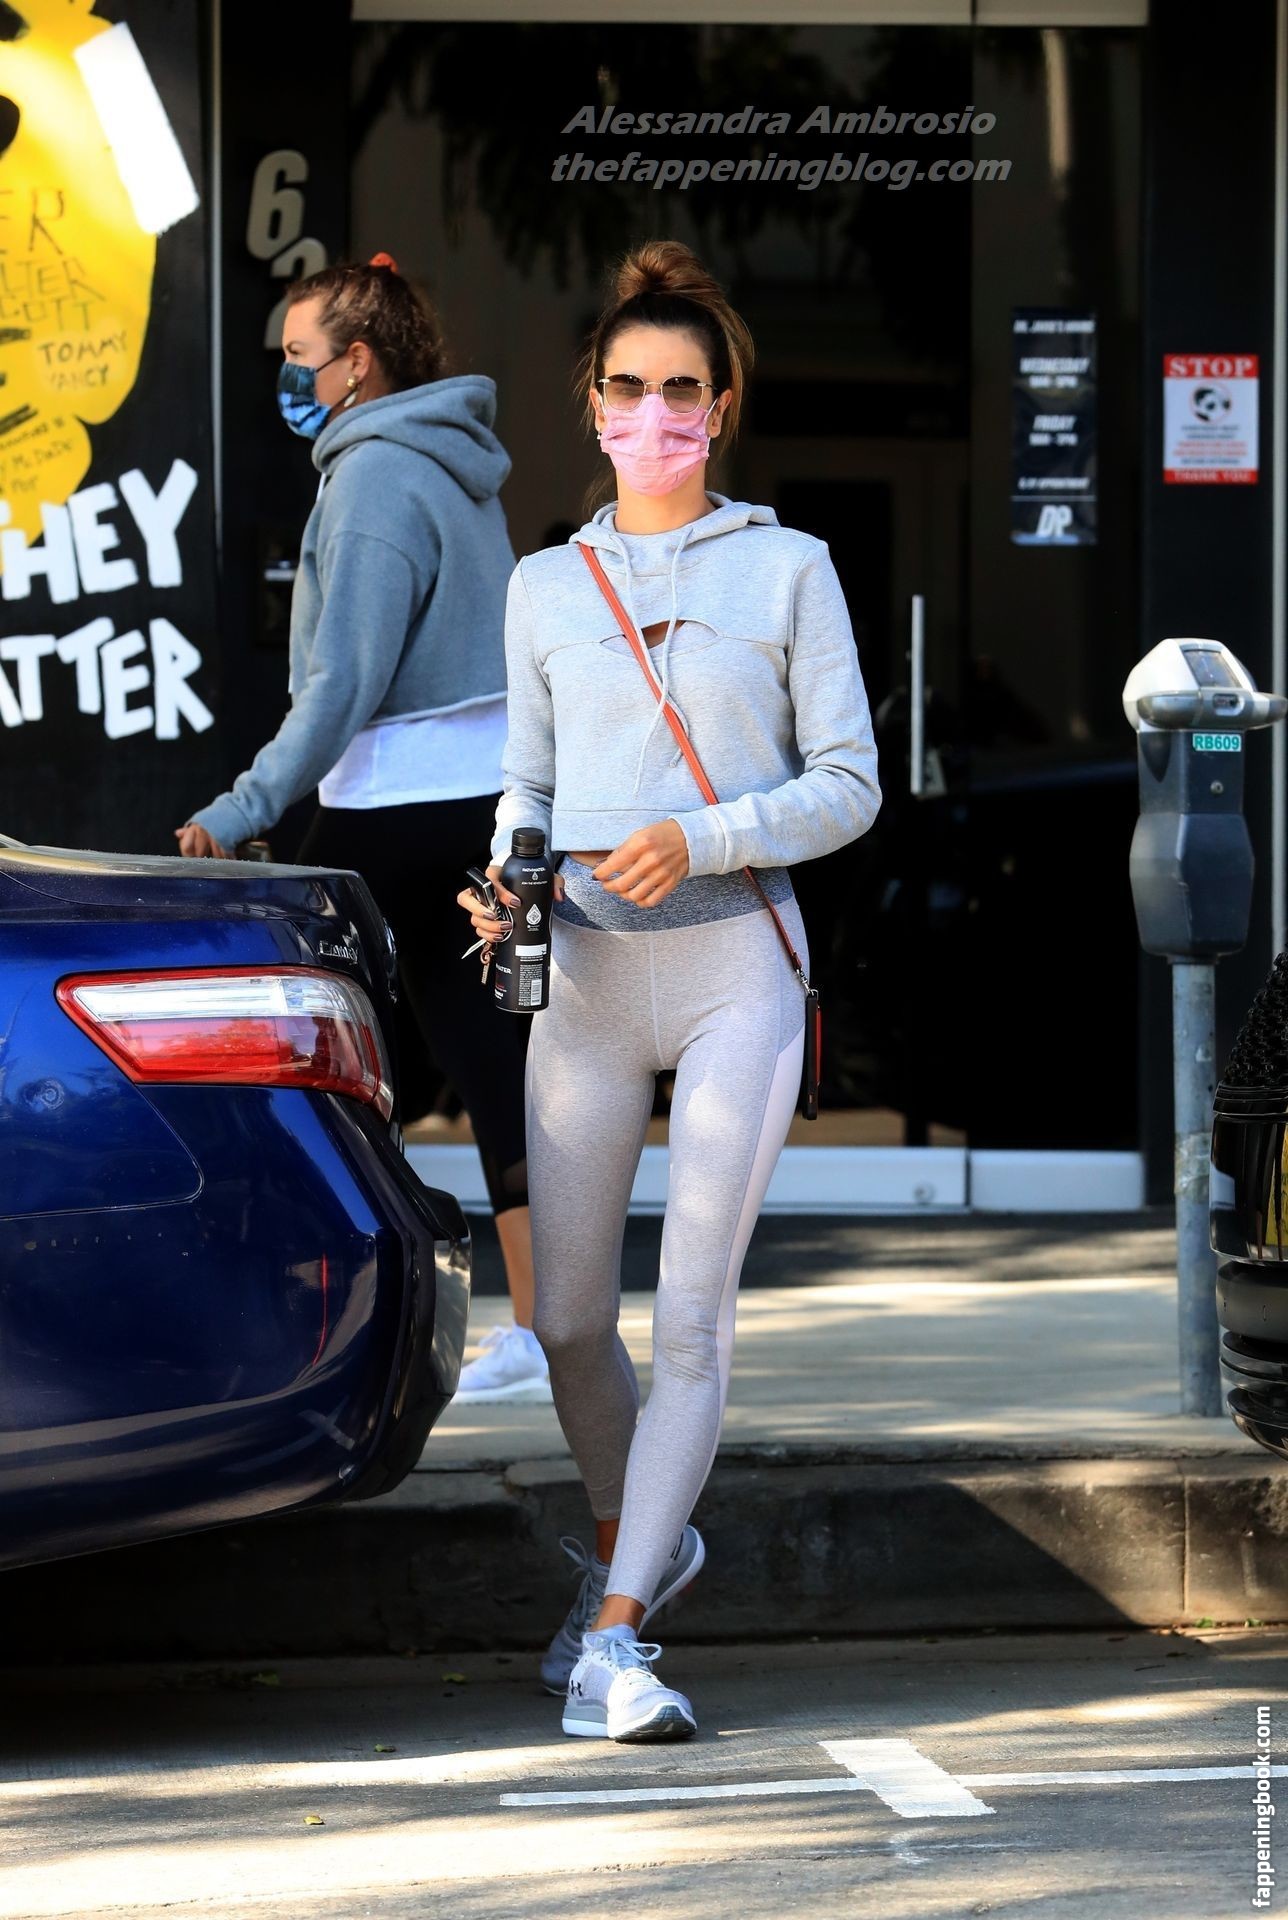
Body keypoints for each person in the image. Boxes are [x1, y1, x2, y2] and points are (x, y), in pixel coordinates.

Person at [458, 239, 881, 1742]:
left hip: (734, 968)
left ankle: (617, 1631)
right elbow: (526, 776)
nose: (654, 415)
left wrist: (700, 835)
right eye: (629, 387)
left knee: (689, 1316)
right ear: (591, 401)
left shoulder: (790, 567)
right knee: (571, 1320)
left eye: (682, 391)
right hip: (580, 970)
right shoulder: (541, 584)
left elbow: (850, 785)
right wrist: (508, 869)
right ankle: (641, 1542)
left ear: (721, 409)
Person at [177, 255, 549, 1403]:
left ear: (356, 363)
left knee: (277, 1047)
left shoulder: (376, 476)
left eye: (298, 357)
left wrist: (241, 807)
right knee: (490, 1061)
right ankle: (545, 1328)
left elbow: (341, 685)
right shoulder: (452, 463)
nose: (287, 377)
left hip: (389, 807)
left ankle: (269, 1309)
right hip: (476, 804)